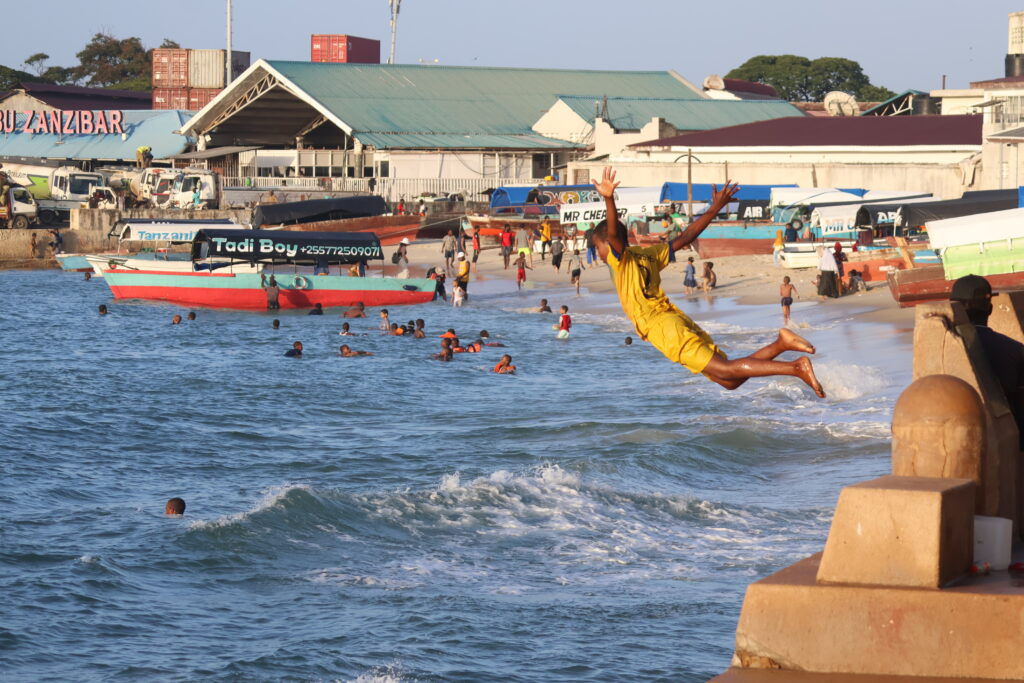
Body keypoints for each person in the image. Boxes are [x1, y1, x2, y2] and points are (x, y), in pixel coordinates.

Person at [590, 166, 824, 397]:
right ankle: (780, 344)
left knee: (726, 370)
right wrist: (715, 208)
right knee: (729, 381)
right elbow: (686, 237)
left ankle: (796, 368)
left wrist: (609, 200)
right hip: (674, 319)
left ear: (607, 245)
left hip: (662, 328)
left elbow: (612, 235)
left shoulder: (620, 260)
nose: (600, 254)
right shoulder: (648, 255)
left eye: (598, 247)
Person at [950, 275, 1024, 445]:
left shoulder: (945, 345)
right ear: (990, 309)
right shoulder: (1014, 349)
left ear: (954, 306)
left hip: (962, 439)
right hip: (1010, 440)